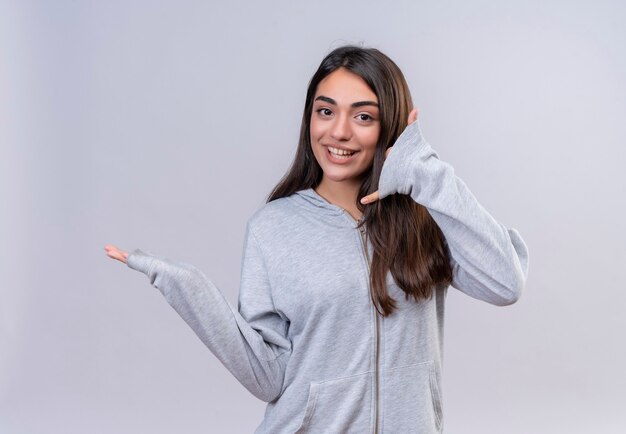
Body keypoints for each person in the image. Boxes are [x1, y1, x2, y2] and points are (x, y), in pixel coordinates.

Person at [104, 45, 529, 433]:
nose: (339, 132)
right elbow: (268, 376)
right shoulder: (273, 227)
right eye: (326, 112)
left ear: (390, 128)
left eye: (363, 116)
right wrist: (187, 287)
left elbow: (505, 282)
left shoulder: (427, 218)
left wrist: (425, 173)